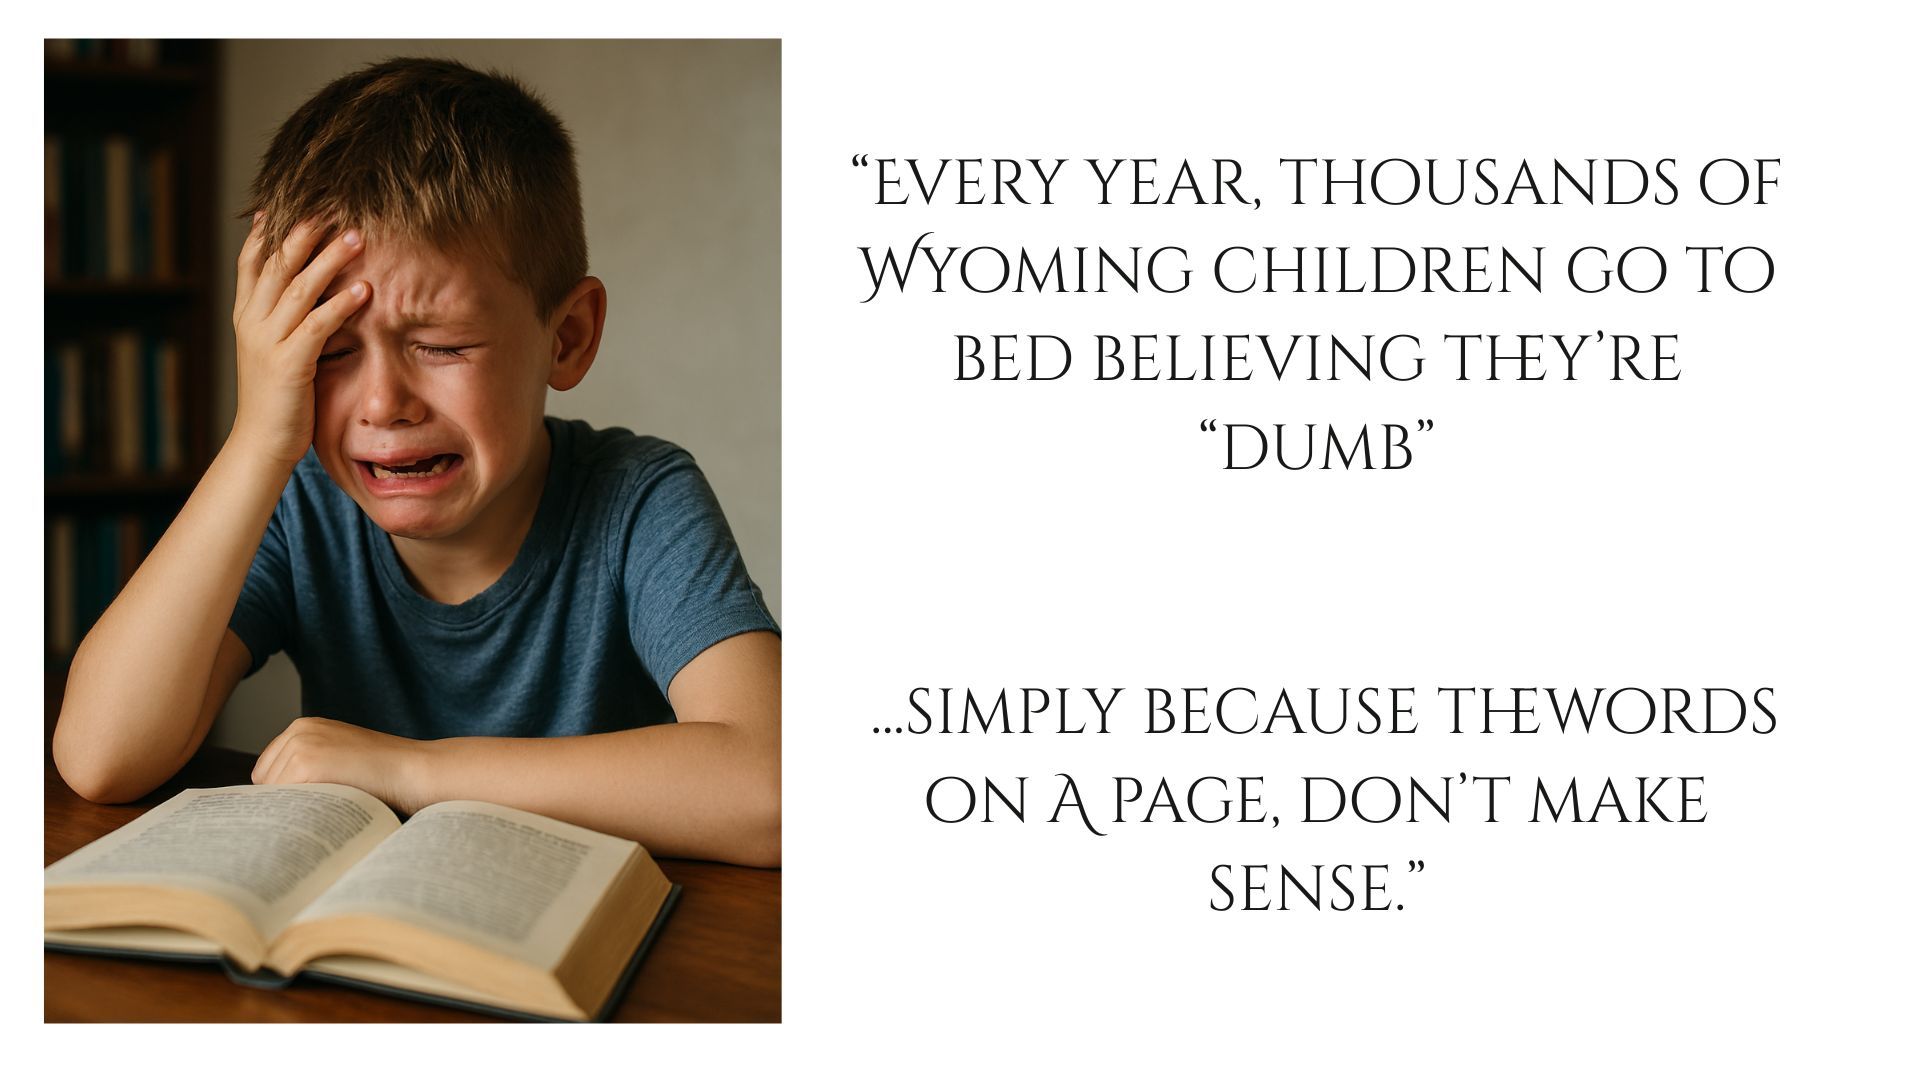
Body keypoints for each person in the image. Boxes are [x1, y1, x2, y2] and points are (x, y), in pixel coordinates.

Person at [51, 57, 781, 868]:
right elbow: (100, 757)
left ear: (566, 337)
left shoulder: (640, 501)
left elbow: (776, 786)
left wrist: (409, 769)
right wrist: (258, 436)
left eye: (440, 346)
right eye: (327, 351)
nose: (381, 403)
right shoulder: (302, 505)